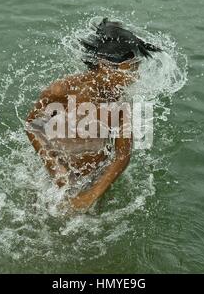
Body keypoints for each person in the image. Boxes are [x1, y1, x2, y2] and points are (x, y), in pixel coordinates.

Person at [25, 18, 161, 211]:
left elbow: (122, 154)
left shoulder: (120, 102)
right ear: (106, 66)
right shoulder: (62, 90)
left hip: (96, 177)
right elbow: (32, 126)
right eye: (131, 69)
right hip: (55, 174)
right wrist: (57, 171)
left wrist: (90, 195)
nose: (136, 76)